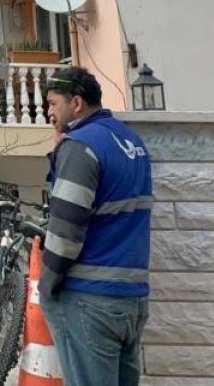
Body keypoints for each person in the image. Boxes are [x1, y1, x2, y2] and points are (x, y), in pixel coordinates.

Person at [40, 66, 153, 386]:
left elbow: (65, 231)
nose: (48, 112)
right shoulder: (131, 141)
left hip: (89, 299)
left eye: (53, 104)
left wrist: (46, 285)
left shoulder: (81, 146)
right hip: (131, 298)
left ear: (76, 103)